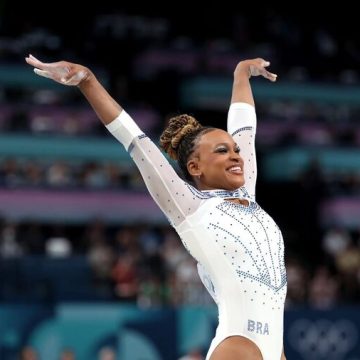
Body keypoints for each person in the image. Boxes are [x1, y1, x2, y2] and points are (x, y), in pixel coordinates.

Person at [25, 54, 287, 360]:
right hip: (240, 345)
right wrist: (87, 80)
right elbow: (134, 140)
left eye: (235, 150)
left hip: (274, 348)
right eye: (221, 150)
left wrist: (241, 74)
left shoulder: (248, 192)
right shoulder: (190, 206)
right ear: (195, 166)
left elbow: (246, 128)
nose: (236, 156)